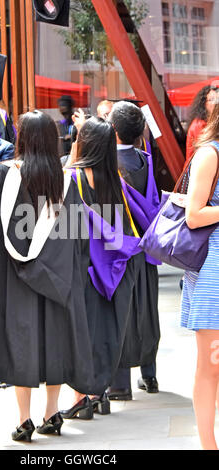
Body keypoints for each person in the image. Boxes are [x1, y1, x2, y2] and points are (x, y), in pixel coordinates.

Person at [0, 109, 95, 442]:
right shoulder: (66, 180)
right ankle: (52, 414)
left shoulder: (2, 175)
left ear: (20, 138)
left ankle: (24, 420)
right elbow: (77, 236)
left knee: (21, 343)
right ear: (52, 139)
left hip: (12, 281)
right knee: (54, 341)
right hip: (56, 278)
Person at [59, 112, 141, 419]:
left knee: (81, 335)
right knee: (104, 331)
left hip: (83, 269)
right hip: (114, 270)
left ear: (84, 144)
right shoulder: (115, 179)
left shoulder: (75, 178)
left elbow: (64, 227)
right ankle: (98, 394)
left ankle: (83, 397)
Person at [106, 101, 161, 401]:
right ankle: (149, 376)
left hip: (119, 250)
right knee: (147, 311)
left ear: (113, 130)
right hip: (146, 247)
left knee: (121, 314)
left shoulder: (106, 163)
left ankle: (119, 384)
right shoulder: (146, 159)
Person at [181, 103, 219, 450]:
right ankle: (209, 445)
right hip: (214, 269)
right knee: (211, 364)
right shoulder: (210, 154)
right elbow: (194, 215)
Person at [185, 85, 218, 167]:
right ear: (204, 104)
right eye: (211, 100)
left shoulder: (211, 123)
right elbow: (205, 152)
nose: (215, 103)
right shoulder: (199, 125)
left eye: (217, 100)